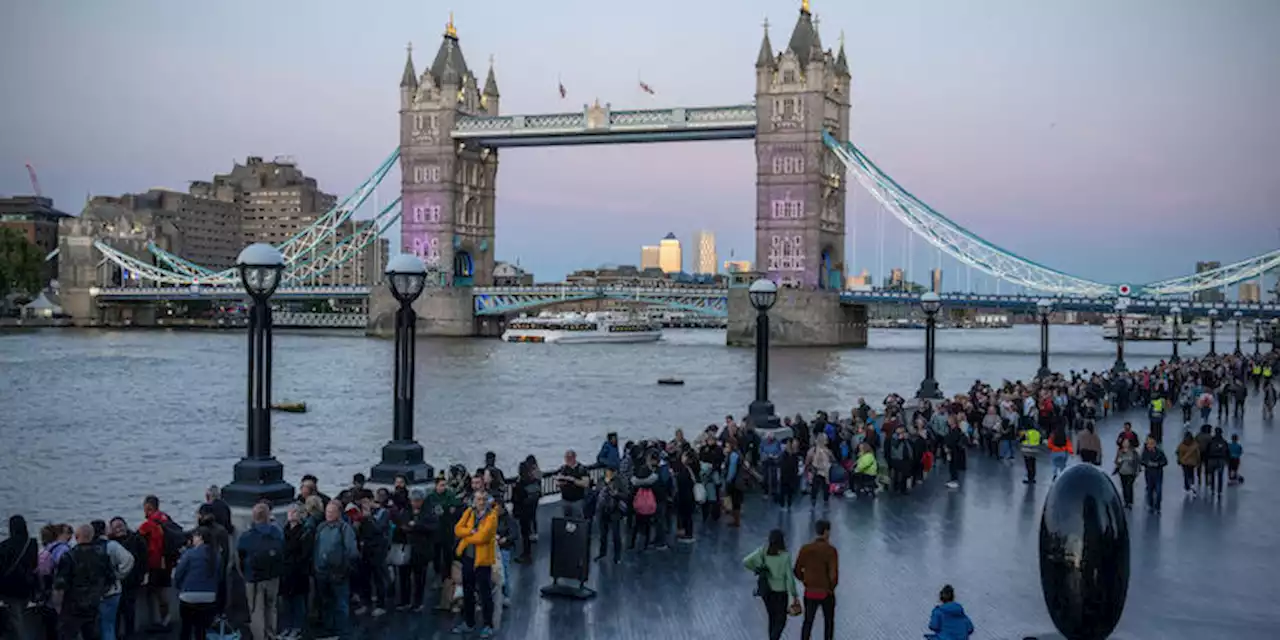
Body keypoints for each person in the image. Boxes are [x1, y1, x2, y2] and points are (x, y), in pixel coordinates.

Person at [452, 490, 498, 639]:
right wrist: (471, 532)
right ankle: (469, 622)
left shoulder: (491, 516)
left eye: (484, 499)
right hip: (468, 558)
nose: (481, 502)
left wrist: (467, 537)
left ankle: (488, 624)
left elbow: (483, 537)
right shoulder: (469, 512)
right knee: (467, 591)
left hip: (482, 561)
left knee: (485, 593)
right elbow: (457, 529)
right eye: (478, 499)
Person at [238, 503, 284, 640]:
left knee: (256, 610)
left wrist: (244, 575)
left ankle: (260, 636)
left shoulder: (247, 536)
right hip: (273, 576)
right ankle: (272, 634)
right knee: (271, 606)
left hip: (254, 578)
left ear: (254, 517)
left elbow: (239, 557)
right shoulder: (277, 532)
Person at [742, 529, 800, 640]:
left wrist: (757, 569)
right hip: (781, 593)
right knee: (781, 620)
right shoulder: (784, 556)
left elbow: (746, 561)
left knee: (772, 618)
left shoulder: (762, 552)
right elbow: (789, 578)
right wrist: (794, 595)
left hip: (766, 591)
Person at [313, 500, 358, 639]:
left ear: (339, 513)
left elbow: (352, 552)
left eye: (332, 512)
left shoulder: (345, 529)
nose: (328, 514)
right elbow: (316, 547)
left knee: (341, 604)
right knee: (326, 603)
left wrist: (344, 569)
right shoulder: (321, 527)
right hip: (321, 572)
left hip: (338, 573)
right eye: (327, 511)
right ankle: (329, 630)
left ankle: (342, 632)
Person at [793, 519, 838, 640]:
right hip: (826, 592)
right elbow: (833, 574)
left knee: (808, 621)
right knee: (828, 622)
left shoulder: (805, 549)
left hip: (810, 591)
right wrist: (831, 587)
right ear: (827, 532)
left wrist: (805, 581)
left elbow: (797, 570)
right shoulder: (831, 550)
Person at [173, 527, 221, 640]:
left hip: (189, 596)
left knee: (186, 628)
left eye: (194, 536)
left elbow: (179, 573)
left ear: (200, 538)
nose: (193, 539)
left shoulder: (190, 554)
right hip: (209, 597)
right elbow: (218, 577)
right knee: (201, 630)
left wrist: (180, 587)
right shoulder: (216, 556)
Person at [0, 515, 38, 640]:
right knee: (19, 614)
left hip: (9, 588)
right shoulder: (32, 544)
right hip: (27, 587)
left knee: (16, 619)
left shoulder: (4, 546)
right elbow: (34, 565)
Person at [554, 450, 590, 520]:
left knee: (578, 520)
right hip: (565, 499)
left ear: (574, 457)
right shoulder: (563, 468)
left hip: (577, 500)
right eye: (566, 458)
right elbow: (557, 481)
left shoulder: (581, 469)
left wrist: (573, 480)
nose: (567, 460)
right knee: (567, 520)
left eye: (569, 458)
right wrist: (561, 482)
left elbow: (586, 483)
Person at [1140, 437, 1168, 514]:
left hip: (1158, 474)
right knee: (1150, 491)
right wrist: (1147, 463)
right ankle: (1151, 505)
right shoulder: (1145, 453)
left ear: (1155, 444)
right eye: (1148, 444)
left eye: (1151, 444)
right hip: (1149, 474)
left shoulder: (1160, 452)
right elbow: (1142, 461)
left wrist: (1158, 464)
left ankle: (1158, 506)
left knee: (1158, 491)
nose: (1150, 445)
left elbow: (1165, 461)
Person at [1113, 439, 1139, 510]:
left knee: (1129, 487)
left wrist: (1136, 471)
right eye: (1124, 443)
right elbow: (1116, 461)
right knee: (1124, 487)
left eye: (1126, 443)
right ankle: (1126, 501)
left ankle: (1129, 501)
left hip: (1130, 473)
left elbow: (1137, 462)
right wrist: (1119, 461)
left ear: (1129, 444)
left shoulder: (1133, 452)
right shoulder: (1120, 452)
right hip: (1122, 472)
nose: (1125, 444)